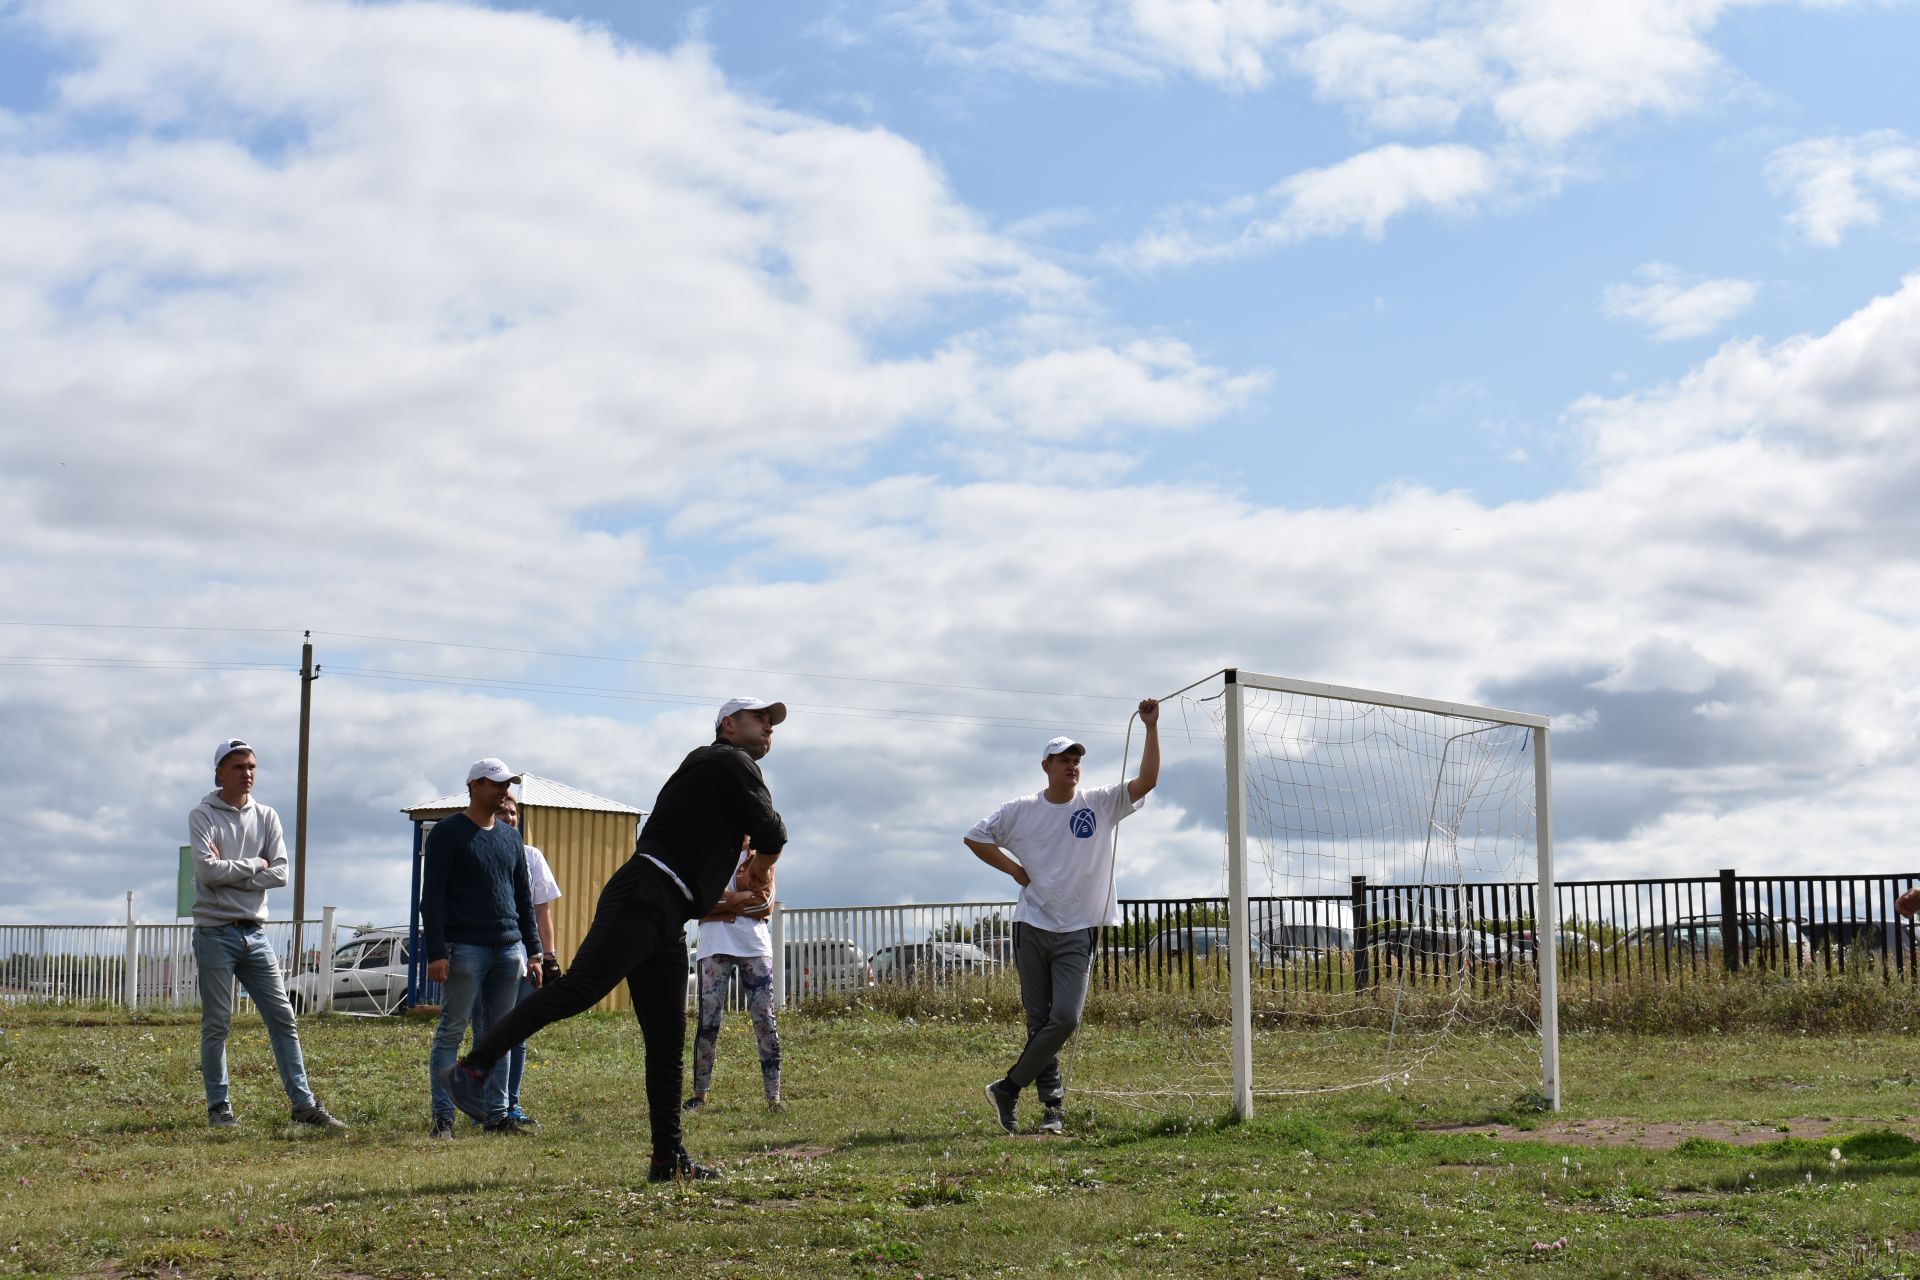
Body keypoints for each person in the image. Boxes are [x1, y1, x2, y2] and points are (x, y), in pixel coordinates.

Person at [444, 697, 790, 1182]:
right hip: (645, 894)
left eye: (773, 724)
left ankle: (666, 1159)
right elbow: (772, 831)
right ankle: (473, 1068)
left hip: (667, 912)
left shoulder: (716, 774)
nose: (769, 728)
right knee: (579, 989)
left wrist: (751, 864)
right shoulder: (725, 759)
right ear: (728, 726)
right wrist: (759, 869)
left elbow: (752, 833)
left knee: (667, 1039)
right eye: (760, 719)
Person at [964, 699, 1160, 1135]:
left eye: (1077, 761)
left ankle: (1008, 1087)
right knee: (1040, 1022)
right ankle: (1052, 1109)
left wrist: (1150, 728)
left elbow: (1147, 780)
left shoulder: (1101, 803)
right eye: (1064, 760)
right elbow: (975, 836)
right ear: (1045, 765)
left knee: (1065, 1018)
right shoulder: (1021, 809)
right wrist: (1014, 869)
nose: (1072, 767)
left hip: (1077, 930)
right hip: (1032, 927)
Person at [189, 738, 347, 1132]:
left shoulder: (267, 816)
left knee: (283, 1017)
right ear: (219, 772)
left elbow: (281, 873)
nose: (248, 774)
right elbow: (208, 872)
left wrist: (235, 870)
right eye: (239, 766)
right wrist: (254, 865)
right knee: (217, 1023)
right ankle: (219, 1108)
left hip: (255, 935)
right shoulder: (202, 815)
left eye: (252, 767)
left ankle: (304, 1106)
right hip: (214, 933)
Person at [420, 758, 543, 1138]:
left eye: (507, 785)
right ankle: (444, 1118)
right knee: (452, 1030)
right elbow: (433, 898)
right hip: (465, 949)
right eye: (496, 784)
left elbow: (523, 898)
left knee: (500, 1033)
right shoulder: (447, 833)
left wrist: (535, 952)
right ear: (474, 785)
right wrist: (437, 951)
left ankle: (496, 1115)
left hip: (508, 950)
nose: (504, 791)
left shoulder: (510, 838)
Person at [471, 795, 563, 1128]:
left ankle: (510, 1103)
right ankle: (482, 1105)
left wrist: (548, 957)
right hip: (488, 956)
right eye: (501, 812)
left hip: (526, 961)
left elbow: (542, 912)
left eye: (513, 813)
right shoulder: (477, 850)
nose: (509, 817)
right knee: (485, 1033)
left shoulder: (530, 856)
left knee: (517, 1033)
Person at [684, 838, 782, 1114]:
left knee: (764, 1018)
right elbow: (699, 903)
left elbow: (766, 905)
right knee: (708, 1021)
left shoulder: (761, 858)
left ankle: (773, 1098)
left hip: (754, 945)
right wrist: (740, 899)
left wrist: (726, 900)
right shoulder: (709, 855)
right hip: (714, 945)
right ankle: (700, 1095)